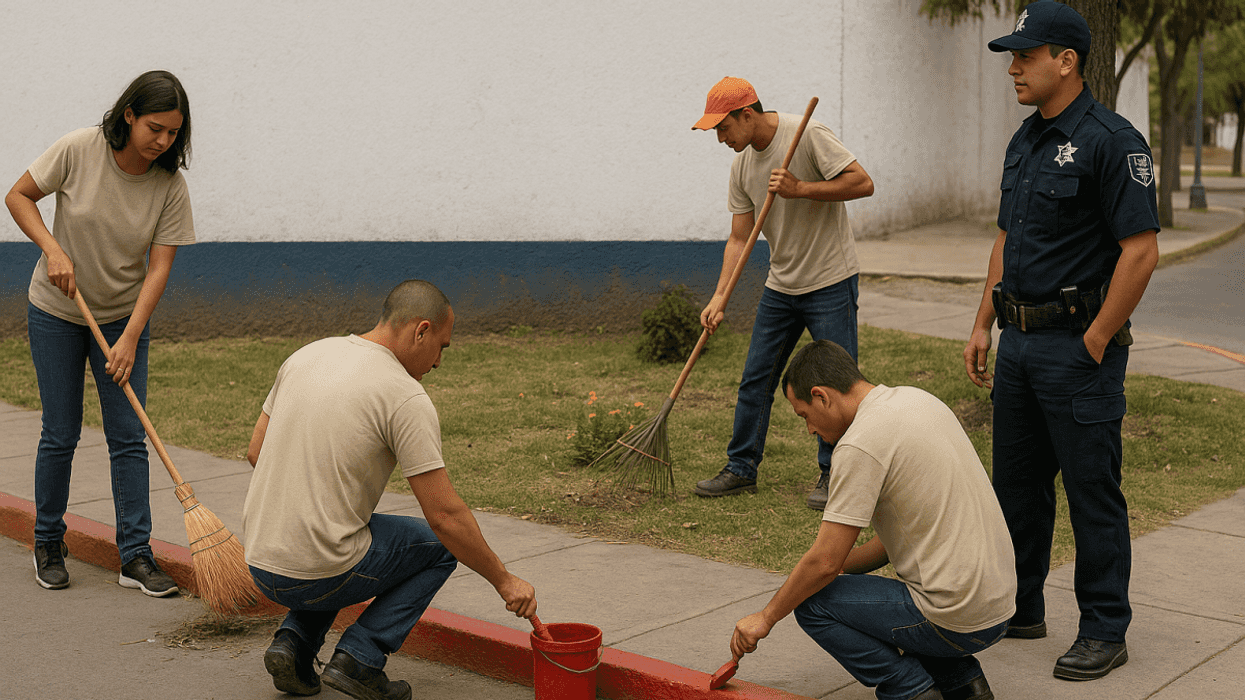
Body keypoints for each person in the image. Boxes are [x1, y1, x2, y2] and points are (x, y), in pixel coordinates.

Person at [964, 1, 1161, 682]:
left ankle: (1105, 628)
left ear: (1066, 60)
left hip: (1077, 347)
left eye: (1024, 55)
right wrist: (982, 320)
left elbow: (1139, 251)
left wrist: (1098, 339)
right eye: (1012, 57)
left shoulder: (1113, 140)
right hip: (1018, 343)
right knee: (1016, 487)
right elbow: (1006, 237)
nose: (1012, 68)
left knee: (1090, 491)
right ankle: (1017, 607)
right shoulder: (1024, 140)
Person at [243, 279, 538, 700]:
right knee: (438, 547)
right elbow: (446, 518)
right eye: (442, 347)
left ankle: (293, 644)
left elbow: (256, 452)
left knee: (342, 538)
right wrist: (505, 581)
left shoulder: (307, 355)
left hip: (259, 560)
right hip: (318, 571)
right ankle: (361, 659)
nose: (438, 362)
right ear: (421, 331)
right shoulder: (403, 396)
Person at [729, 340, 1016, 700]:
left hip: (955, 618)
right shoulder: (916, 400)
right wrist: (818, 571)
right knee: (824, 587)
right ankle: (962, 680)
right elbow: (884, 544)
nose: (809, 430)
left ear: (821, 396)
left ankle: (909, 689)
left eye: (804, 415)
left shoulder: (859, 444)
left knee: (811, 604)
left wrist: (766, 617)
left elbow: (825, 562)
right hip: (999, 607)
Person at [5, 70, 196, 597]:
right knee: (60, 431)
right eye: (155, 128)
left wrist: (131, 336)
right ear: (129, 115)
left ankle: (135, 555)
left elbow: (159, 268)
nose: (163, 141)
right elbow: (19, 196)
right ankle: (48, 542)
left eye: (173, 133)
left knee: (128, 437)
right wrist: (53, 248)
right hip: (56, 309)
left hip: (122, 318)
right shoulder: (78, 149)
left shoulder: (168, 185)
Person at [691, 77, 875, 510]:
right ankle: (741, 467)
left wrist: (801, 189)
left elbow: (862, 183)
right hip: (782, 284)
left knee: (834, 383)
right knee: (756, 377)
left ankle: (835, 472)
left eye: (723, 128)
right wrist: (719, 298)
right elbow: (739, 239)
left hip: (830, 279)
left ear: (747, 115)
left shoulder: (808, 134)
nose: (720, 139)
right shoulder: (741, 166)